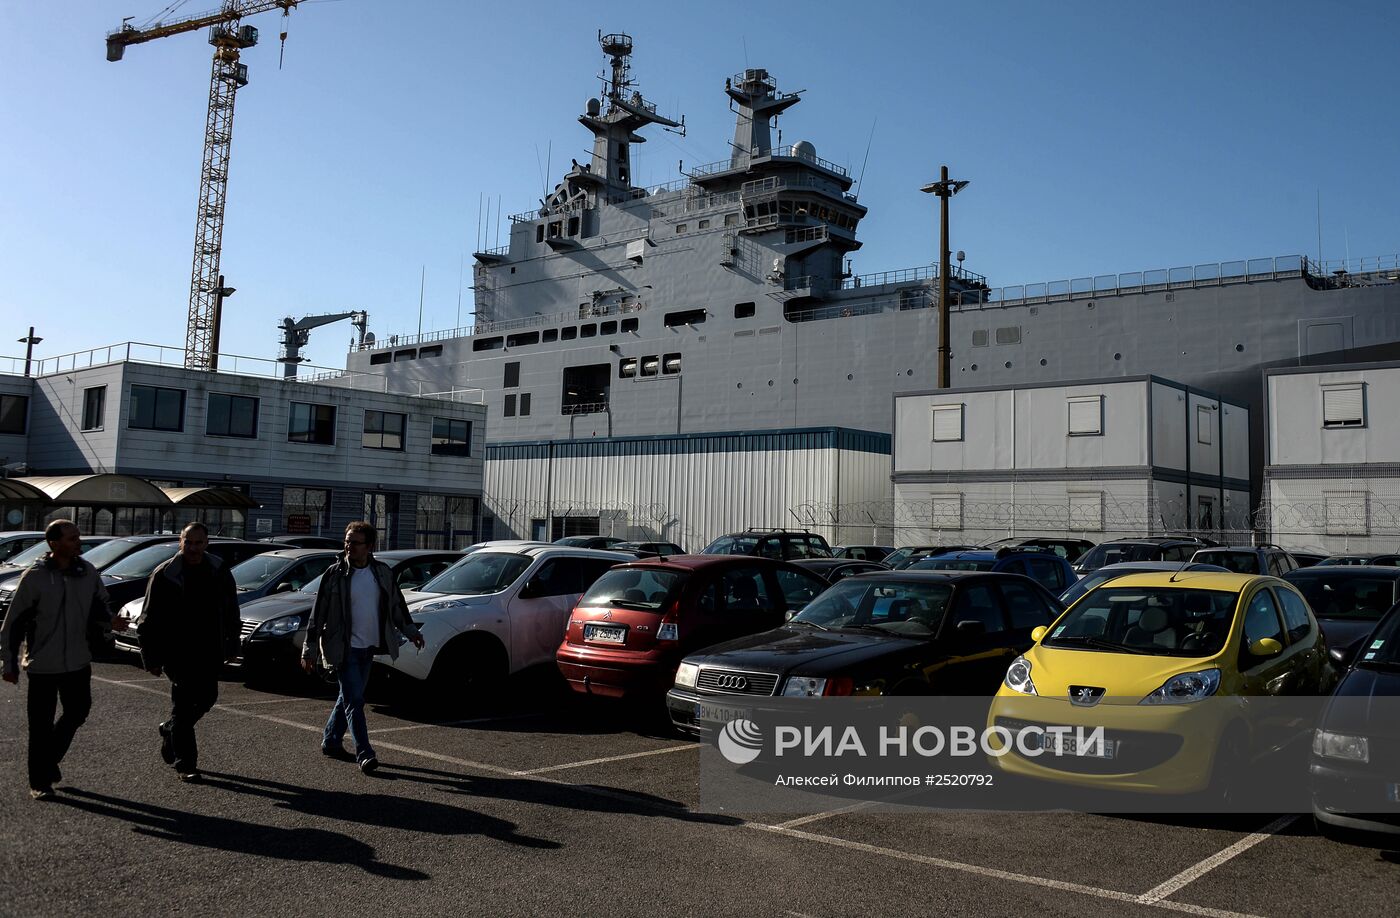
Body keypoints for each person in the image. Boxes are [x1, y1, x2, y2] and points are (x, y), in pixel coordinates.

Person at [0, 519, 121, 800]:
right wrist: (9, 663)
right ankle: (40, 782)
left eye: (78, 537)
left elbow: (99, 606)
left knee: (78, 712)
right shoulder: (36, 576)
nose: (78, 542)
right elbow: (14, 622)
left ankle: (48, 760)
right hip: (43, 663)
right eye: (71, 538)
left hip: (78, 661)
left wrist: (109, 622)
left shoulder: (87, 572)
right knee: (39, 725)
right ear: (54, 543)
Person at [302, 521, 424, 774]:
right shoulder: (334, 574)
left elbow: (396, 607)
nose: (348, 546)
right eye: (346, 541)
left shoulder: (382, 573)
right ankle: (365, 753)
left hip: (368, 647)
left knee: (347, 697)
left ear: (369, 546)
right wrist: (309, 650)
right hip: (343, 648)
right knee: (355, 701)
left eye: (355, 542)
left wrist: (411, 632)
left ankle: (331, 741)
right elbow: (318, 615)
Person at [137, 521, 240, 782]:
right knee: (182, 706)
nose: (193, 548)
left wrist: (232, 643)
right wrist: (150, 656)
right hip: (177, 652)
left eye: (198, 542)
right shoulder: (165, 573)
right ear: (180, 542)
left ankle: (171, 729)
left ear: (206, 543)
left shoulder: (218, 569)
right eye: (188, 542)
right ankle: (186, 765)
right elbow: (148, 617)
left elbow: (231, 609)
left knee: (207, 698)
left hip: (210, 649)